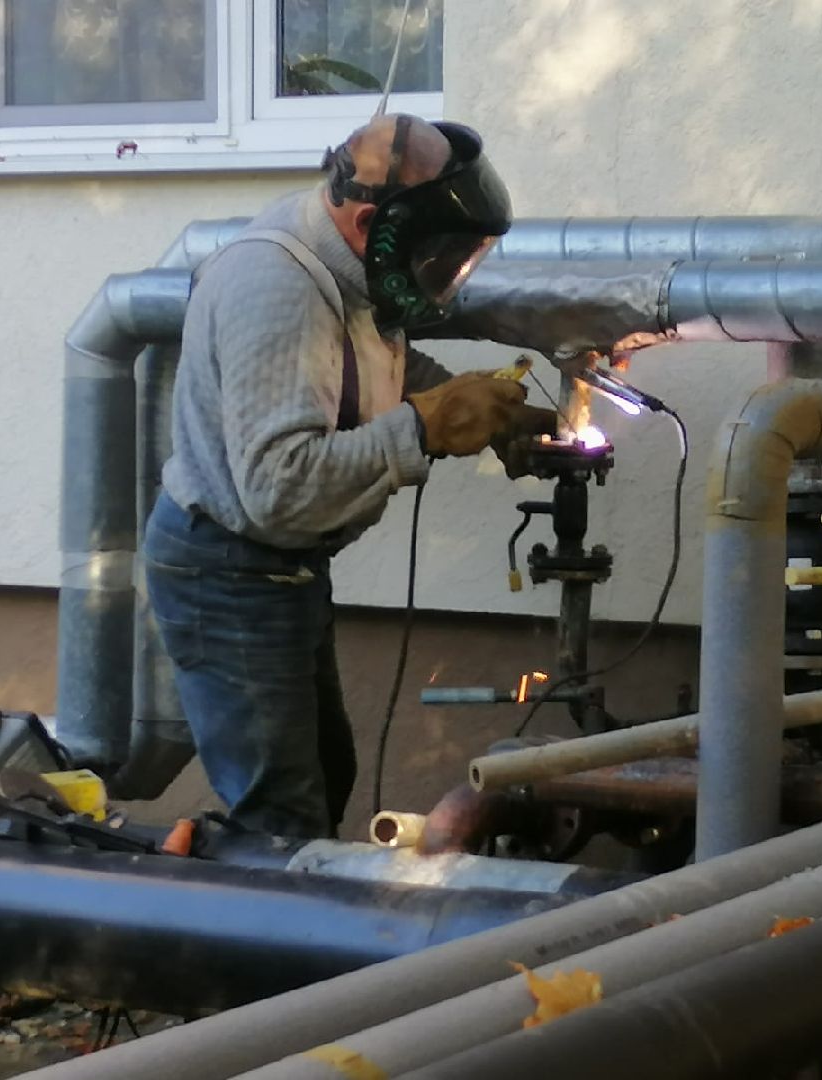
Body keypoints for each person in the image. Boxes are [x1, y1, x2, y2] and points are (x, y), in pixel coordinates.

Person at [142, 114, 553, 838]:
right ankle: (242, 937)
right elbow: (279, 486)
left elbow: (362, 368)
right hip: (229, 569)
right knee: (280, 819)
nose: (444, 278)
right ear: (371, 221)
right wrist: (425, 427)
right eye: (439, 256)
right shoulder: (278, 287)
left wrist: (475, 404)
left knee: (325, 778)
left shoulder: (348, 268)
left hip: (278, 567)